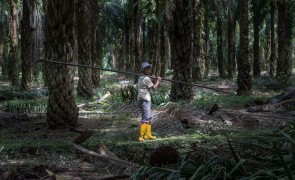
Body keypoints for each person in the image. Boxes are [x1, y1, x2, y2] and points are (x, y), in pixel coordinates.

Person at [137, 62, 161, 142]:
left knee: (149, 117)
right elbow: (153, 88)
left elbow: (145, 84)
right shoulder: (146, 78)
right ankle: (141, 136)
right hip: (145, 100)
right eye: (147, 68)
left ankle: (148, 134)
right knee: (145, 118)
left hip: (143, 99)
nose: (148, 69)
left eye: (149, 68)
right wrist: (158, 81)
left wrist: (152, 79)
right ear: (143, 69)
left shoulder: (141, 77)